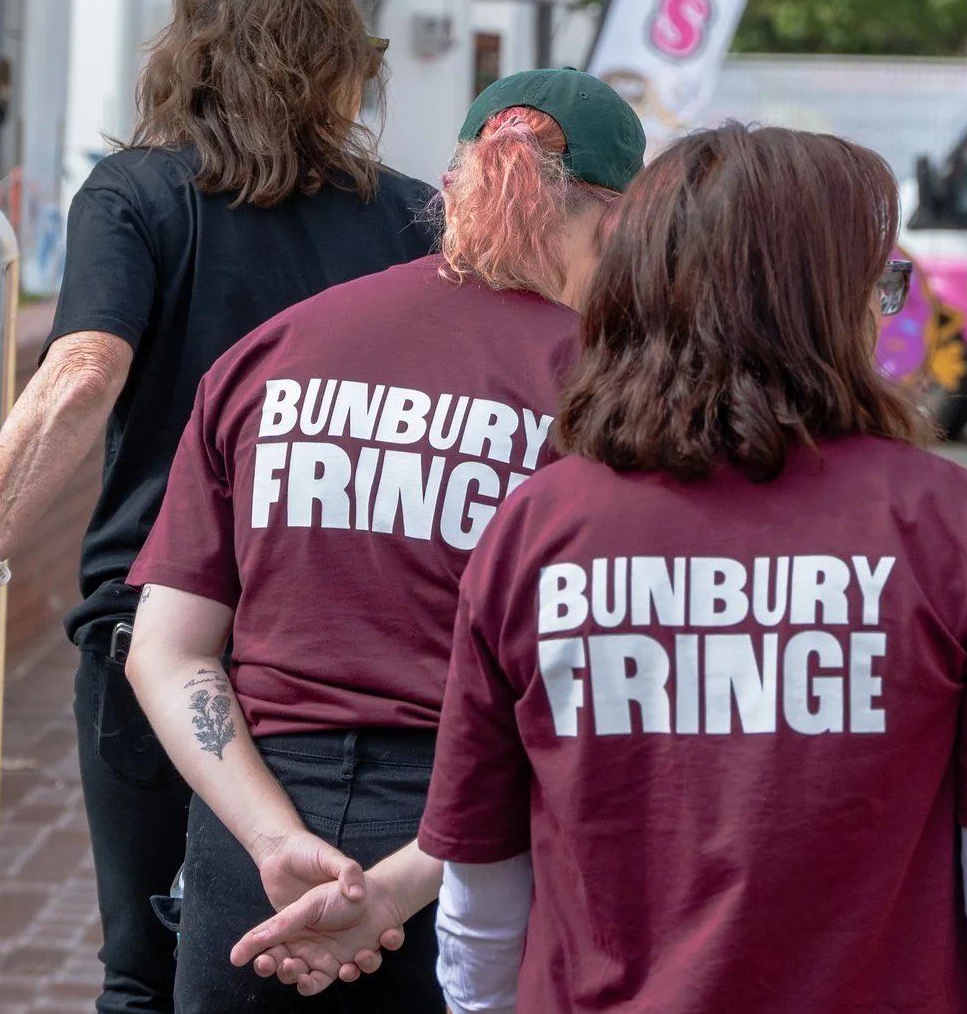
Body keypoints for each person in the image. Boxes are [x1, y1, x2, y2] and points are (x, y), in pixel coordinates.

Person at [237, 126, 967, 1013]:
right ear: (820, 301)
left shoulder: (538, 528)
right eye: (877, 286)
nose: (883, 314)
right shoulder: (959, 528)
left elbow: (486, 890)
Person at [0, 0, 438, 1014]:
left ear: (192, 48)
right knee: (345, 950)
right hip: (343, 644)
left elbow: (78, 376)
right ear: (343, 57)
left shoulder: (138, 194)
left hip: (158, 633)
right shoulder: (408, 217)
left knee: (146, 963)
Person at [121, 69, 642, 1011]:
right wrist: (399, 880)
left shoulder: (273, 352)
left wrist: (277, 842)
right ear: (614, 223)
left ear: (453, 188)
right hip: (486, 854)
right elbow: (599, 687)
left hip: (256, 845)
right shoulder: (608, 391)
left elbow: (167, 649)